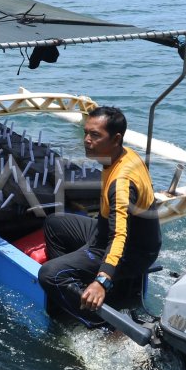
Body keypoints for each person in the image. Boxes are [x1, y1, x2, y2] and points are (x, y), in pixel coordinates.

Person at [38, 106, 162, 327]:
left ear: (116, 139)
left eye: (95, 135)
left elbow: (119, 236)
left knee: (49, 275)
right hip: (106, 233)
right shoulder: (121, 155)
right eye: (86, 132)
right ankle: (76, 290)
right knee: (55, 223)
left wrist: (102, 280)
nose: (87, 140)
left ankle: (101, 323)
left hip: (130, 252)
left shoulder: (122, 183)